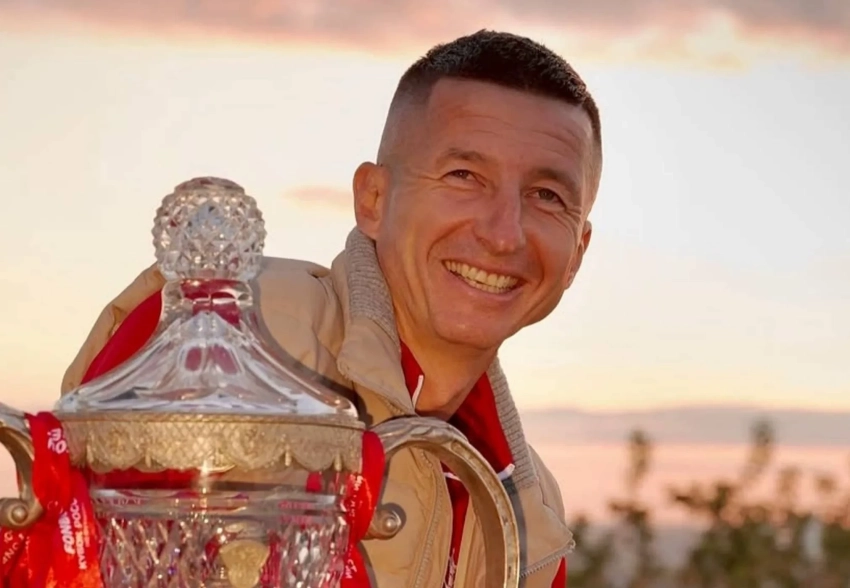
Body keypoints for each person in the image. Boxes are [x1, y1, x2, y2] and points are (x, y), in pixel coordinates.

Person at [61, 29, 602, 587]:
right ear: (373, 199)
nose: (504, 234)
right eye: (464, 176)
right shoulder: (226, 329)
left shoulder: (532, 513)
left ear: (577, 253)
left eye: (547, 196)